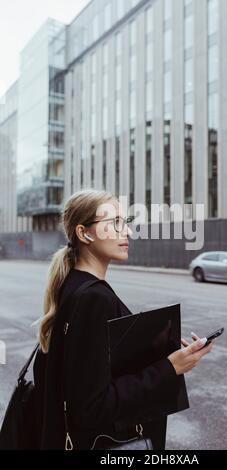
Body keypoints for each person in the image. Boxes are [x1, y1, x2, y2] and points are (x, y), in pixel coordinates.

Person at [33, 189, 214, 450]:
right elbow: (91, 407)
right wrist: (169, 368)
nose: (127, 232)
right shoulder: (93, 299)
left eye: (125, 222)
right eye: (114, 224)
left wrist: (166, 354)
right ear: (84, 233)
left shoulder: (74, 285)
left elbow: (103, 369)